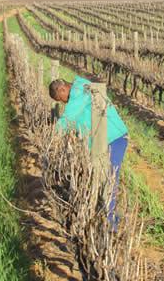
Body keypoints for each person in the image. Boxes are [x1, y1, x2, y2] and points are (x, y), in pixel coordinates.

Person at [49, 76, 128, 228]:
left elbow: (69, 117)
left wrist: (53, 134)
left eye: (61, 99)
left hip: (113, 138)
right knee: (100, 179)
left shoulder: (81, 91)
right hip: (101, 142)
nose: (63, 102)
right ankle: (106, 217)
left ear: (63, 89)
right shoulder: (79, 91)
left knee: (108, 180)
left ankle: (111, 225)